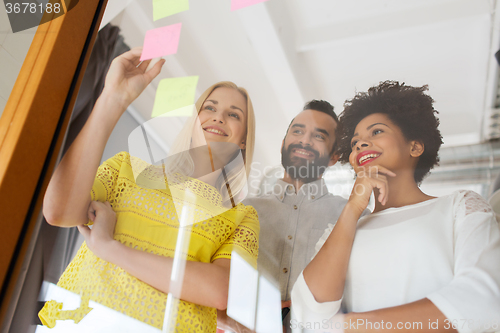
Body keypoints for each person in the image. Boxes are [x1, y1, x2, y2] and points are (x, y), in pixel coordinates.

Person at [38, 47, 259, 333]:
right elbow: (58, 211)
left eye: (233, 114)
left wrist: (110, 248)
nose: (218, 117)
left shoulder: (241, 217)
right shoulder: (126, 169)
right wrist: (113, 99)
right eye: (210, 107)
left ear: (243, 140)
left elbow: (218, 290)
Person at [291, 81, 500, 333]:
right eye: (355, 142)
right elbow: (307, 314)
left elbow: (483, 302)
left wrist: (350, 325)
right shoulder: (339, 232)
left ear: (415, 146)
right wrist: (353, 207)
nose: (360, 144)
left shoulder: (461, 207)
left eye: (376, 132)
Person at [243, 100, 368, 332]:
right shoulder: (245, 210)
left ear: (334, 156)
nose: (305, 140)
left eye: (319, 136)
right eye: (298, 131)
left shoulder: (355, 217)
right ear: (283, 144)